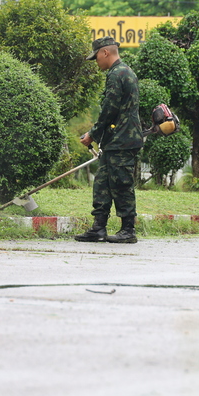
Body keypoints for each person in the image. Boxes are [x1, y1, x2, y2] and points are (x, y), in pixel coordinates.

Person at [74, 36, 142, 243]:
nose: (96, 62)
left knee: (121, 184)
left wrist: (92, 134)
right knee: (102, 183)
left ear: (105, 52)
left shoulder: (118, 74)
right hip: (116, 140)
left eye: (96, 57)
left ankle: (128, 230)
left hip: (123, 140)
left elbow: (109, 109)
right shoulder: (123, 72)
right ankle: (98, 228)